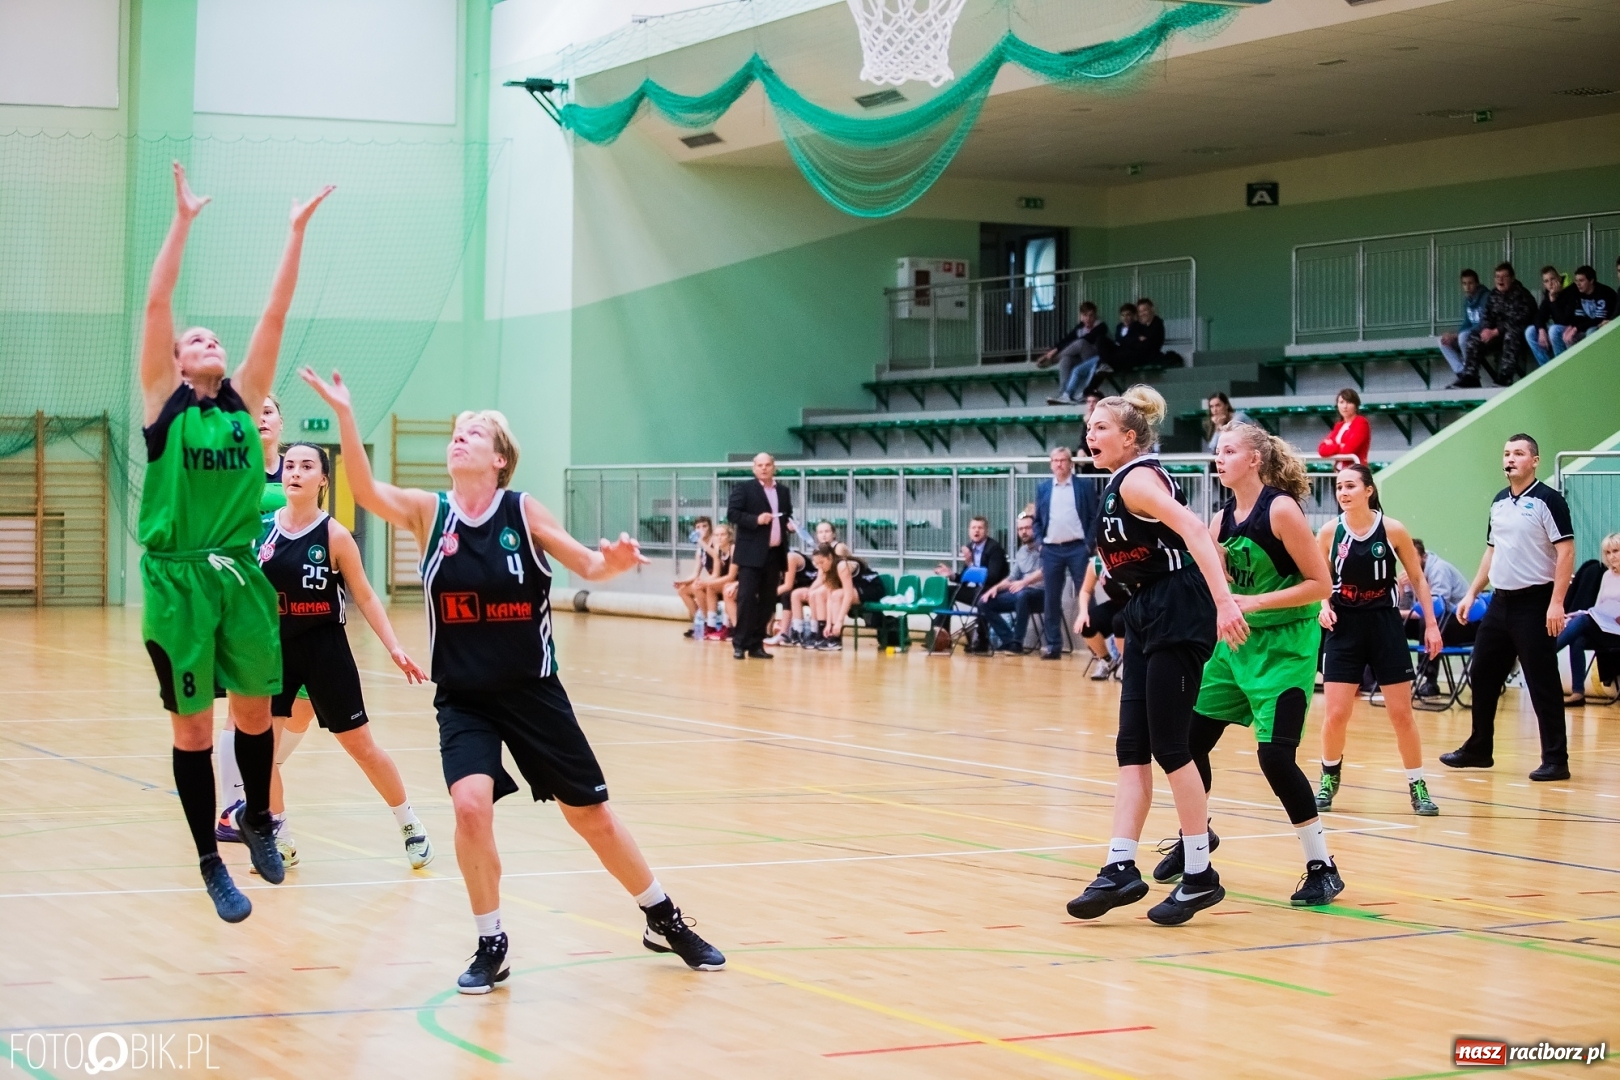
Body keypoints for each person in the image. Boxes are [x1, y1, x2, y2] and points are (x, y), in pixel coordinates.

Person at [301, 368, 726, 993]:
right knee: (470, 806)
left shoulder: (520, 510)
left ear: (499, 458)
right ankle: (490, 940)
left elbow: (582, 560)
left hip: (532, 690)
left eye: (473, 433)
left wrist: (607, 564)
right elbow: (363, 492)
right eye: (455, 432)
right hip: (464, 697)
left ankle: (660, 914)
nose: (458, 438)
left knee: (593, 818)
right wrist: (343, 414)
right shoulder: (430, 512)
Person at [138, 162, 332, 923]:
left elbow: (275, 319)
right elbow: (158, 303)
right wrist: (182, 222)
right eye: (195, 338)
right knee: (191, 727)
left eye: (214, 336)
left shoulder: (244, 403)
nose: (207, 340)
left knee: (256, 714)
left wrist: (295, 234)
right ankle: (209, 861)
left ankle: (254, 816)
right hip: (177, 582)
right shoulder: (165, 402)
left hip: (239, 578)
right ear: (179, 362)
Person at [1065, 385, 1247, 927]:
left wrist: (1223, 602)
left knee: (1171, 747)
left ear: (1129, 437)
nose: (1090, 434)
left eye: (1101, 427)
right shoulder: (1124, 480)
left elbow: (1194, 530)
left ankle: (1199, 875)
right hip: (1147, 607)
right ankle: (1120, 866)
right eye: (1090, 426)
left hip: (1177, 607)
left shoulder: (1140, 477)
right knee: (1132, 747)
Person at [1175, 424, 1343, 905]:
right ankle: (1197, 838)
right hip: (1236, 644)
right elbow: (1217, 586)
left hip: (1286, 647)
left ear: (1254, 459)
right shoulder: (1220, 519)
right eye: (1216, 451)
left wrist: (1253, 602)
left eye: (1228, 450)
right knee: (1187, 742)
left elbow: (1321, 585)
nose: (1218, 458)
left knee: (1275, 757)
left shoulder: (1281, 509)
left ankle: (1322, 866)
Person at [252, 442, 435, 871]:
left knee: (362, 747)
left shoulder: (334, 535)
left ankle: (408, 822)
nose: (294, 472)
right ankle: (280, 835)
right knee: (262, 753)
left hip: (325, 652)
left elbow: (366, 596)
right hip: (274, 652)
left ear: (323, 480)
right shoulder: (261, 531)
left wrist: (394, 647)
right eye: (290, 465)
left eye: (306, 466)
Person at [1441, 434, 1575, 781]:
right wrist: (1471, 593)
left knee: (1541, 682)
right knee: (1482, 673)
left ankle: (1556, 759)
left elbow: (1566, 552)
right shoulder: (1499, 502)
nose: (1510, 458)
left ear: (1534, 460)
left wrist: (1556, 603)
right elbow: (1491, 551)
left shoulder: (1549, 500)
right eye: (1506, 453)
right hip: (1499, 603)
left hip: (1535, 603)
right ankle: (1479, 748)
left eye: (1518, 453)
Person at [1313, 465, 1444, 816]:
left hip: (1385, 626)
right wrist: (1322, 606)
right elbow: (1317, 582)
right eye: (1339, 486)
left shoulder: (1393, 530)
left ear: (1368, 490)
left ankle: (1418, 785)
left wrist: (1431, 625)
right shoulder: (1329, 532)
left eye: (1351, 485)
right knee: (1337, 713)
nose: (1344, 492)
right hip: (1344, 629)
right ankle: (1328, 776)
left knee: (1401, 714)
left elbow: (1417, 579)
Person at [1033, 445, 1101, 660]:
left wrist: (1088, 544)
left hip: (1078, 548)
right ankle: (1053, 645)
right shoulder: (1043, 488)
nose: (1059, 464)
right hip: (1051, 549)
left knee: (1087, 595)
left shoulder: (1084, 486)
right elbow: (1036, 521)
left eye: (1063, 460)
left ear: (1071, 464)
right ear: (1051, 464)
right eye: (1055, 461)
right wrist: (1040, 543)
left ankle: (1096, 645)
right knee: (1051, 598)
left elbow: (1093, 516)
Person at [727, 453, 795, 660]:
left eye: (767, 465)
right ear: (754, 468)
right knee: (747, 599)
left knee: (767, 601)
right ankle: (740, 643)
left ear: (774, 467)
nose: (764, 468)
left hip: (774, 553)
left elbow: (787, 514)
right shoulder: (744, 489)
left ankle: (756, 644)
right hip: (750, 554)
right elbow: (733, 514)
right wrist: (756, 519)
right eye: (760, 465)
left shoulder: (783, 491)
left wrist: (790, 524)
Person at [1399, 538, 1474, 698]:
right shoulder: (1412, 574)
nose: (1408, 561)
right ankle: (1389, 676)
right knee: (1393, 624)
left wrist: (1400, 613)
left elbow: (1435, 608)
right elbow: (1404, 609)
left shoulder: (1439, 569)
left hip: (1465, 623)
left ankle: (1430, 682)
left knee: (1429, 621)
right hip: (1439, 622)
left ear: (1423, 556)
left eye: (1412, 556)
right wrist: (1401, 588)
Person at [1558, 531, 1620, 706]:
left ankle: (1546, 651)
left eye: (1616, 551)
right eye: (1608, 553)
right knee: (1578, 637)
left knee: (1584, 621)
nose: (1612, 556)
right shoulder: (1607, 576)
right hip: (1606, 628)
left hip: (1618, 630)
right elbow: (1599, 605)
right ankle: (1578, 693)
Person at [1451, 262, 1536, 388]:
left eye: (1504, 277)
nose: (1500, 280)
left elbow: (1517, 320)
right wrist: (1486, 330)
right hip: (1497, 335)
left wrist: (1495, 331)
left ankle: (1505, 377)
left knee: (1511, 334)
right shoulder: (1494, 295)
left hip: (1520, 335)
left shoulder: (1522, 295)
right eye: (1497, 277)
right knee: (1474, 337)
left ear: (1512, 278)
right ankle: (1470, 377)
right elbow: (1487, 316)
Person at [930, 516, 1007, 651]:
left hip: (995, 592)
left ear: (986, 531)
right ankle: (940, 635)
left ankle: (982, 641)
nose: (976, 531)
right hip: (979, 592)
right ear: (969, 531)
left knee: (982, 595)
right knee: (947, 591)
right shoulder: (970, 547)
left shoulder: (994, 549)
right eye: (973, 528)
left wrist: (971, 564)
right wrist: (951, 575)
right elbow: (966, 579)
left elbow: (993, 577)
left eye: (980, 528)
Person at [977, 514, 1044, 652]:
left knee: (1022, 594)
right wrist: (995, 588)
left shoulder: (1045, 548)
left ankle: (1017, 642)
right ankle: (1008, 640)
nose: (1023, 532)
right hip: (1021, 592)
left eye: (1027, 528)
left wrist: (1024, 583)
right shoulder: (1021, 552)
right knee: (984, 602)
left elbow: (1046, 571)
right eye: (1020, 529)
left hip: (1042, 595)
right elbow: (1012, 578)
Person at [1040, 301, 1111, 405]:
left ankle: (1055, 359)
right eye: (1085, 315)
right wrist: (1055, 349)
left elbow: (1088, 338)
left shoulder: (1101, 326)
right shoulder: (1080, 328)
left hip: (1098, 358)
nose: (1088, 318)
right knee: (1066, 359)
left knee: (1080, 343)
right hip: (1084, 360)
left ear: (1095, 316)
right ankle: (1064, 394)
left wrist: (1056, 353)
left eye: (1091, 315)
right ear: (1081, 316)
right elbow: (1067, 340)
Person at [816, 546, 886, 650]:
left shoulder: (842, 566)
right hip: (856, 588)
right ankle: (827, 635)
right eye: (816, 563)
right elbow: (829, 597)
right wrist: (828, 624)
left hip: (872, 587)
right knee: (831, 594)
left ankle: (836, 640)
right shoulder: (826, 569)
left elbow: (847, 595)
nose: (819, 566)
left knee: (838, 595)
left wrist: (839, 622)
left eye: (821, 562)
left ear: (830, 557)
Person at [1074, 555, 1125, 680]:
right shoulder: (1096, 564)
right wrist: (1083, 613)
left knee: (1120, 621)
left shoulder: (1129, 558)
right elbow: (1085, 590)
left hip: (1136, 603)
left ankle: (1127, 663)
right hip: (1116, 603)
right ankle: (1107, 661)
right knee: (1087, 624)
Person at [1438, 270, 1488, 377]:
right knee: (1443, 342)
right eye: (1464, 284)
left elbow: (1485, 323)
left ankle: (1471, 371)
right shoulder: (1467, 300)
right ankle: (1461, 372)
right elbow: (1467, 323)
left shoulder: (1486, 297)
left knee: (1463, 336)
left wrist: (1458, 335)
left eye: (1470, 283)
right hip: (1470, 334)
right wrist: (1452, 336)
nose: (1467, 287)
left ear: (1477, 283)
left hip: (1483, 335)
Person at [1526, 266, 1578, 368]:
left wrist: (1553, 300)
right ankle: (1547, 368)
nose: (1550, 284)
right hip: (1559, 328)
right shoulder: (1549, 293)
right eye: (1546, 281)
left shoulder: (1572, 290)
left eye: (1552, 279)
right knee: (1530, 331)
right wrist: (1541, 330)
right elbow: (1539, 315)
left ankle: (1561, 368)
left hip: (1572, 328)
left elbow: (1563, 320)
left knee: (1554, 330)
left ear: (1559, 277)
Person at [694, 523, 737, 641]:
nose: (719, 537)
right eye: (717, 535)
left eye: (722, 534)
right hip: (726, 582)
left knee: (721, 587)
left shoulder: (733, 548)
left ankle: (727, 626)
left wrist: (707, 583)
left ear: (729, 536)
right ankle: (711, 625)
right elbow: (716, 575)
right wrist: (703, 582)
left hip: (739, 582)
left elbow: (732, 576)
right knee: (703, 587)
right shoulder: (717, 549)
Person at [674, 516, 713, 638]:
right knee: (683, 590)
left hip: (719, 579)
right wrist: (682, 581)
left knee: (697, 587)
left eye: (704, 526)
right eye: (698, 527)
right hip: (711, 580)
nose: (701, 529)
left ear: (710, 528)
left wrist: (701, 542)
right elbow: (695, 573)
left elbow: (717, 559)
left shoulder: (715, 542)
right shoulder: (700, 549)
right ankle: (698, 622)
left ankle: (708, 623)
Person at [1316, 388, 1370, 466]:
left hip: (1355, 472)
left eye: (1349, 402)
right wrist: (1340, 446)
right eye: (1341, 402)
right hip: (1339, 472)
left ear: (1356, 405)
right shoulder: (1339, 426)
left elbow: (1349, 450)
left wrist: (1332, 446)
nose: (1345, 406)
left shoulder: (1361, 422)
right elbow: (1322, 450)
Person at [1569, 264, 1617, 343]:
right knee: (1567, 335)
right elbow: (1579, 317)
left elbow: (1599, 319)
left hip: (1607, 325)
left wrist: (1576, 328)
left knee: (1591, 332)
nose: (1578, 284)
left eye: (1581, 280)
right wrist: (1572, 327)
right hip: (1590, 324)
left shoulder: (1604, 293)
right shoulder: (1578, 292)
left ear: (1591, 280)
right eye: (1576, 281)